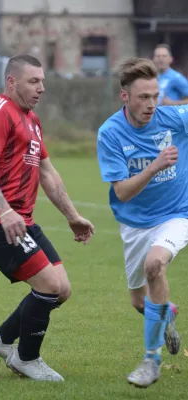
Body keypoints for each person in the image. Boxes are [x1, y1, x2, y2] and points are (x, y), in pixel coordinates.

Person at [0, 54, 94, 382]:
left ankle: (2, 339)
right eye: (34, 81)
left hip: (22, 220)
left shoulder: (32, 120)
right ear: (12, 81)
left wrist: (72, 216)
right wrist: (5, 210)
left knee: (61, 289)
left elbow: (47, 173)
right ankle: (27, 358)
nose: (42, 88)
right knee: (49, 285)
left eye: (43, 81)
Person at [96, 57, 188, 388]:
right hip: (134, 223)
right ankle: (167, 314)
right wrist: (154, 165)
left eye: (154, 96)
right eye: (143, 97)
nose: (151, 104)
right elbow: (122, 192)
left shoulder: (175, 117)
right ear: (125, 97)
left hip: (178, 214)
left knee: (155, 265)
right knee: (139, 300)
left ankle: (151, 360)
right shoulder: (110, 133)